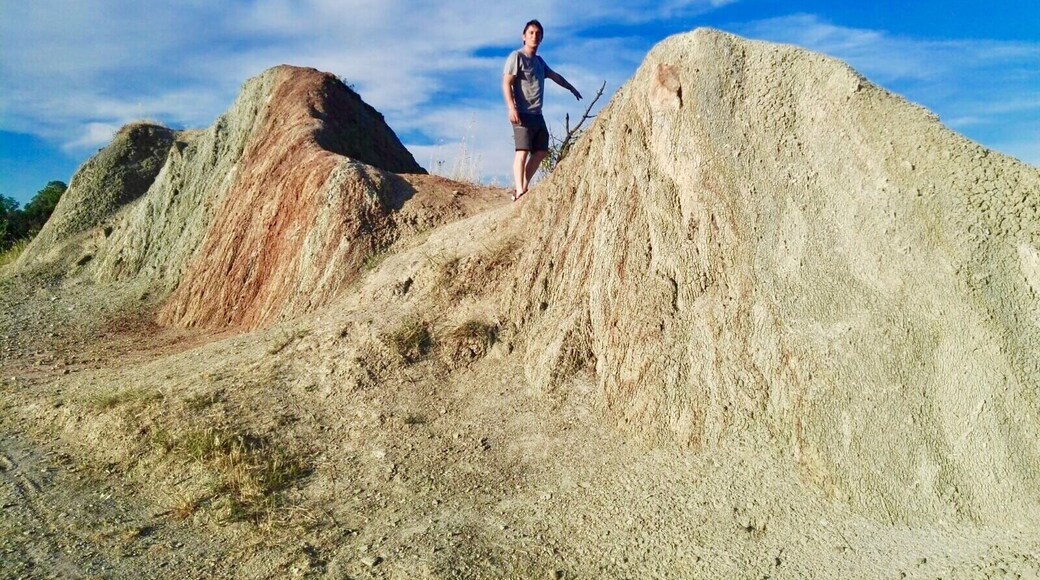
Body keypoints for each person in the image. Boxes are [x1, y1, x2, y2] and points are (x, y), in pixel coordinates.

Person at [502, 19, 582, 201]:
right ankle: (521, 190)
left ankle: (520, 186)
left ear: (542, 38)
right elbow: (506, 82)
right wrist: (511, 107)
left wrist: (571, 87)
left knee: (541, 152)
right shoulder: (517, 57)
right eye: (531, 33)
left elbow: (554, 76)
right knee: (522, 151)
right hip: (521, 112)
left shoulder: (539, 62)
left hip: (537, 114)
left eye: (538, 34)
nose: (534, 36)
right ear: (524, 36)